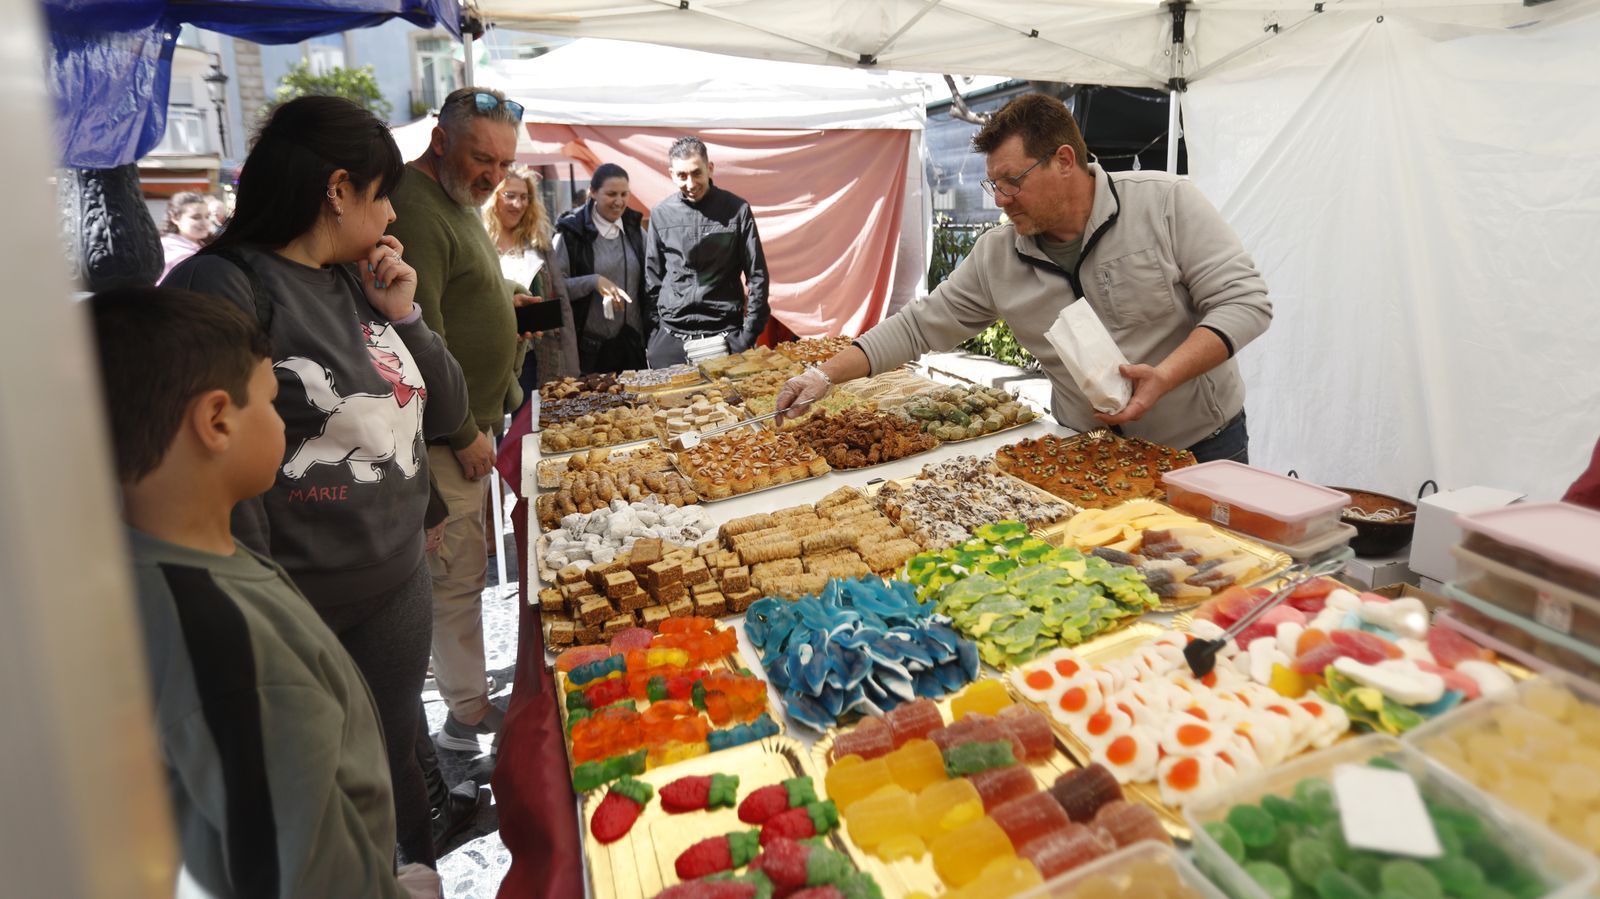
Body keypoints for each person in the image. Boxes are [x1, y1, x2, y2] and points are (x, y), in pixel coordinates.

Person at [163, 96, 476, 869]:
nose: (394, 208)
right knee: (323, 785)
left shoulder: (353, 279)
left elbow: (446, 407)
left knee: (393, 758)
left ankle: (415, 873)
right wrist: (270, 612)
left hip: (394, 583)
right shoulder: (224, 284)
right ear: (338, 189)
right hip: (304, 601)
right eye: (382, 191)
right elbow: (215, 478)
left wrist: (404, 315)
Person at [89, 286, 437, 899]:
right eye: (272, 404)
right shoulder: (223, 641)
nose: (283, 422)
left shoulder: (174, 569)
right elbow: (296, 871)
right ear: (217, 420)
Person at [776, 93, 1273, 463]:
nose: (1000, 199)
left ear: (1063, 160)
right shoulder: (999, 253)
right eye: (994, 183)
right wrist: (822, 375)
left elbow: (1245, 303)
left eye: (1013, 181)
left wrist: (1165, 376)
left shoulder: (1165, 202)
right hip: (1086, 452)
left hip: (1202, 446)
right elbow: (918, 327)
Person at [386, 85, 528, 753]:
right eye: (482, 159)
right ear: (440, 141)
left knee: (468, 571)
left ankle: (467, 700)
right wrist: (463, 430)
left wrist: (505, 299)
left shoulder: (456, 196)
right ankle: (464, 717)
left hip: (471, 420)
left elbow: (463, 289)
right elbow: (418, 337)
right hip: (447, 437)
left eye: (503, 164)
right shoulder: (416, 205)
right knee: (456, 577)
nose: (493, 177)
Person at [643, 136, 770, 368]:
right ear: (671, 174)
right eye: (682, 175)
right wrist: (654, 336)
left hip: (726, 335)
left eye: (696, 173)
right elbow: (652, 280)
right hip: (672, 336)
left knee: (731, 404)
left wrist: (748, 335)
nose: (690, 183)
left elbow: (757, 275)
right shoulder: (660, 214)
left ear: (709, 168)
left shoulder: (736, 210)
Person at [486, 164, 578, 397]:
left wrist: (571, 362)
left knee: (533, 421)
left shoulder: (538, 243)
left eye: (524, 197)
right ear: (493, 197)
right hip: (494, 351)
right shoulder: (480, 242)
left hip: (539, 353)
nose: (518, 204)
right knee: (496, 427)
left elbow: (561, 301)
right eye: (510, 196)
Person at [555, 162, 647, 374]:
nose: (619, 201)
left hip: (632, 346)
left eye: (624, 194)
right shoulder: (571, 233)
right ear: (593, 192)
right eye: (611, 194)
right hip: (589, 349)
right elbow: (555, 288)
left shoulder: (635, 229)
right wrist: (593, 281)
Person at [159, 191, 212, 282]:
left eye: (207, 217)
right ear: (175, 218)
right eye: (196, 217)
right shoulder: (168, 247)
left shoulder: (202, 244)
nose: (205, 223)